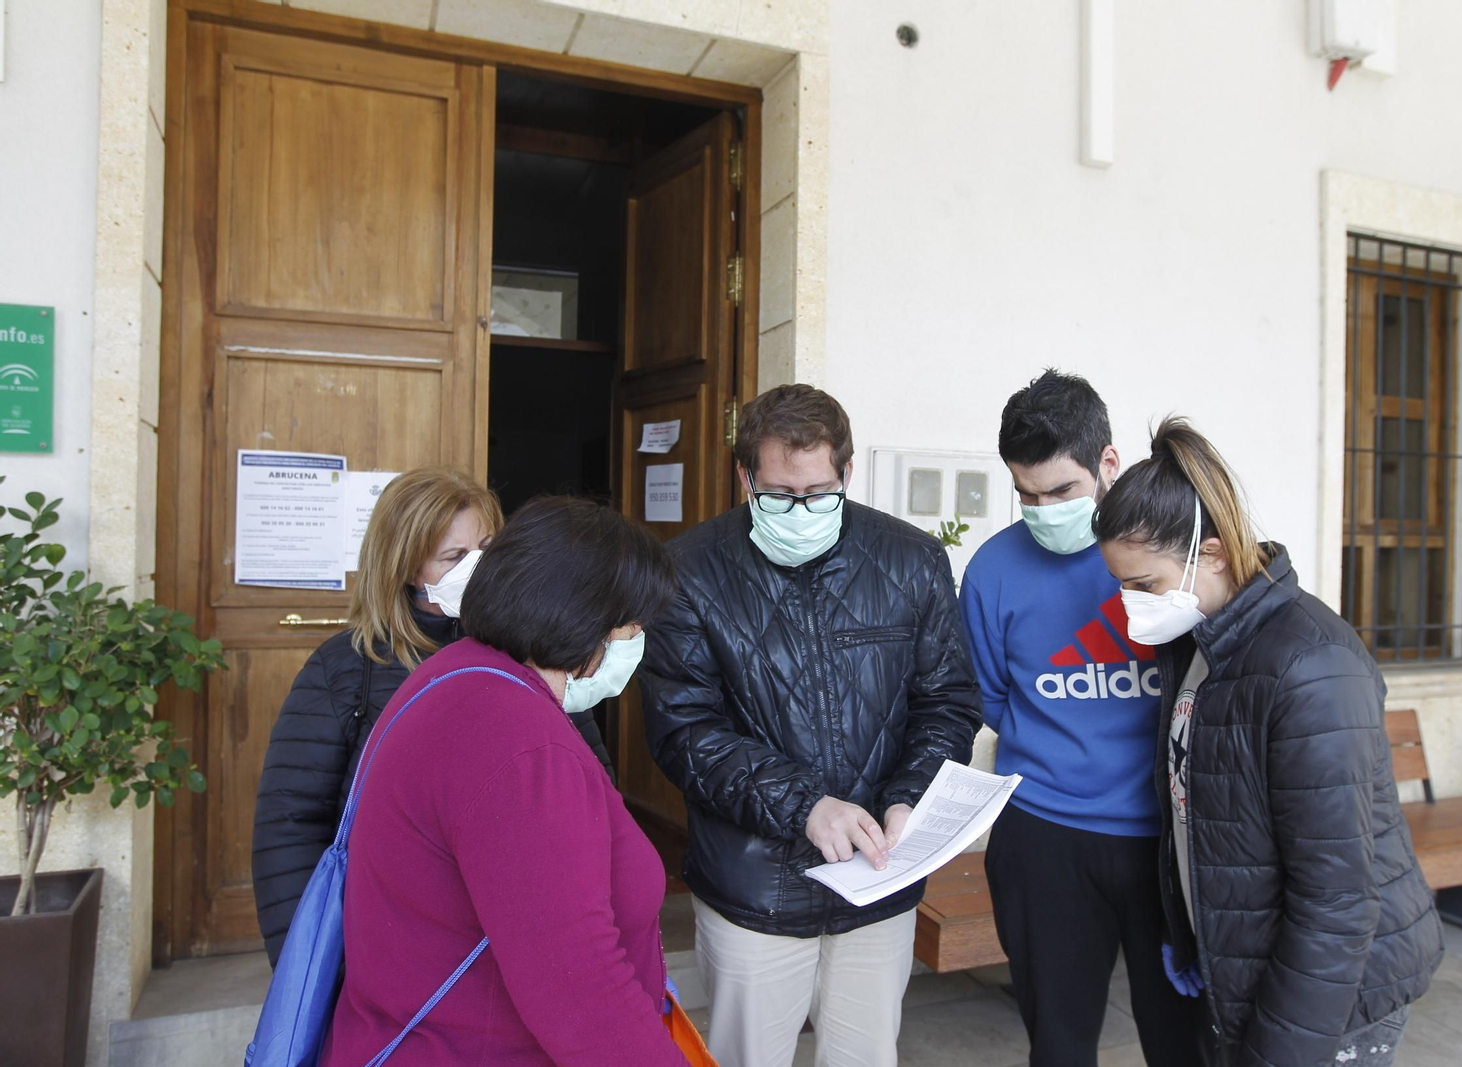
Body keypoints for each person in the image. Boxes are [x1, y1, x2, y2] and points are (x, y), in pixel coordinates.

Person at [640, 384, 984, 1067]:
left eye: (819, 493)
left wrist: (906, 797)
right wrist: (804, 805)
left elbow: (946, 701)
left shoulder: (909, 560)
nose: (800, 511)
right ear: (745, 477)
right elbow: (685, 732)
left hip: (876, 882)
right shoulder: (688, 572)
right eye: (777, 494)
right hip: (753, 890)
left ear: (847, 474)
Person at [1093, 417, 1443, 1067]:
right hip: (1248, 966)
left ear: (1215, 554)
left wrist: (1280, 1051)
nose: (1128, 604)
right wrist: (1188, 928)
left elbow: (1336, 902)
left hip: (1329, 999)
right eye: (1120, 584)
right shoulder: (1198, 641)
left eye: (1143, 584)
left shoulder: (1311, 666)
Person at [322, 497, 690, 1065]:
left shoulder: (462, 675)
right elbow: (579, 987)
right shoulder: (519, 741)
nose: (636, 638)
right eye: (631, 622)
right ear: (584, 616)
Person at [251, 468, 615, 966]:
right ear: (405, 567)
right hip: (391, 949)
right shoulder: (346, 668)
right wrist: (307, 969)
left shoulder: (533, 653)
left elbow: (595, 786)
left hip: (518, 939)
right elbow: (289, 826)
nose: (479, 567)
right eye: (455, 557)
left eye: (488, 547)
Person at [958, 370, 1202, 1066]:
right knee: (1059, 1045)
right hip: (1044, 838)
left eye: (1062, 491)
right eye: (1026, 495)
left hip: (1166, 842)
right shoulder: (992, 572)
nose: (1044, 509)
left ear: (1109, 464)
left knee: (1182, 1042)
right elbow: (994, 699)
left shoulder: (1161, 556)